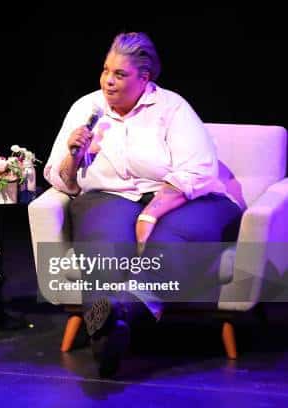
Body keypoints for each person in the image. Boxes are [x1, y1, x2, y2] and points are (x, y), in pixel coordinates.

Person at [44, 33, 242, 377]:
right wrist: (73, 156)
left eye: (120, 74)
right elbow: (62, 180)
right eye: (106, 70)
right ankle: (106, 344)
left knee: (170, 240)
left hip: (182, 197)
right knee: (102, 252)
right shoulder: (86, 108)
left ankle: (124, 311)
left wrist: (151, 213)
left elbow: (197, 169)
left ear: (144, 78)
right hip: (110, 194)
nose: (108, 81)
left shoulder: (172, 109)